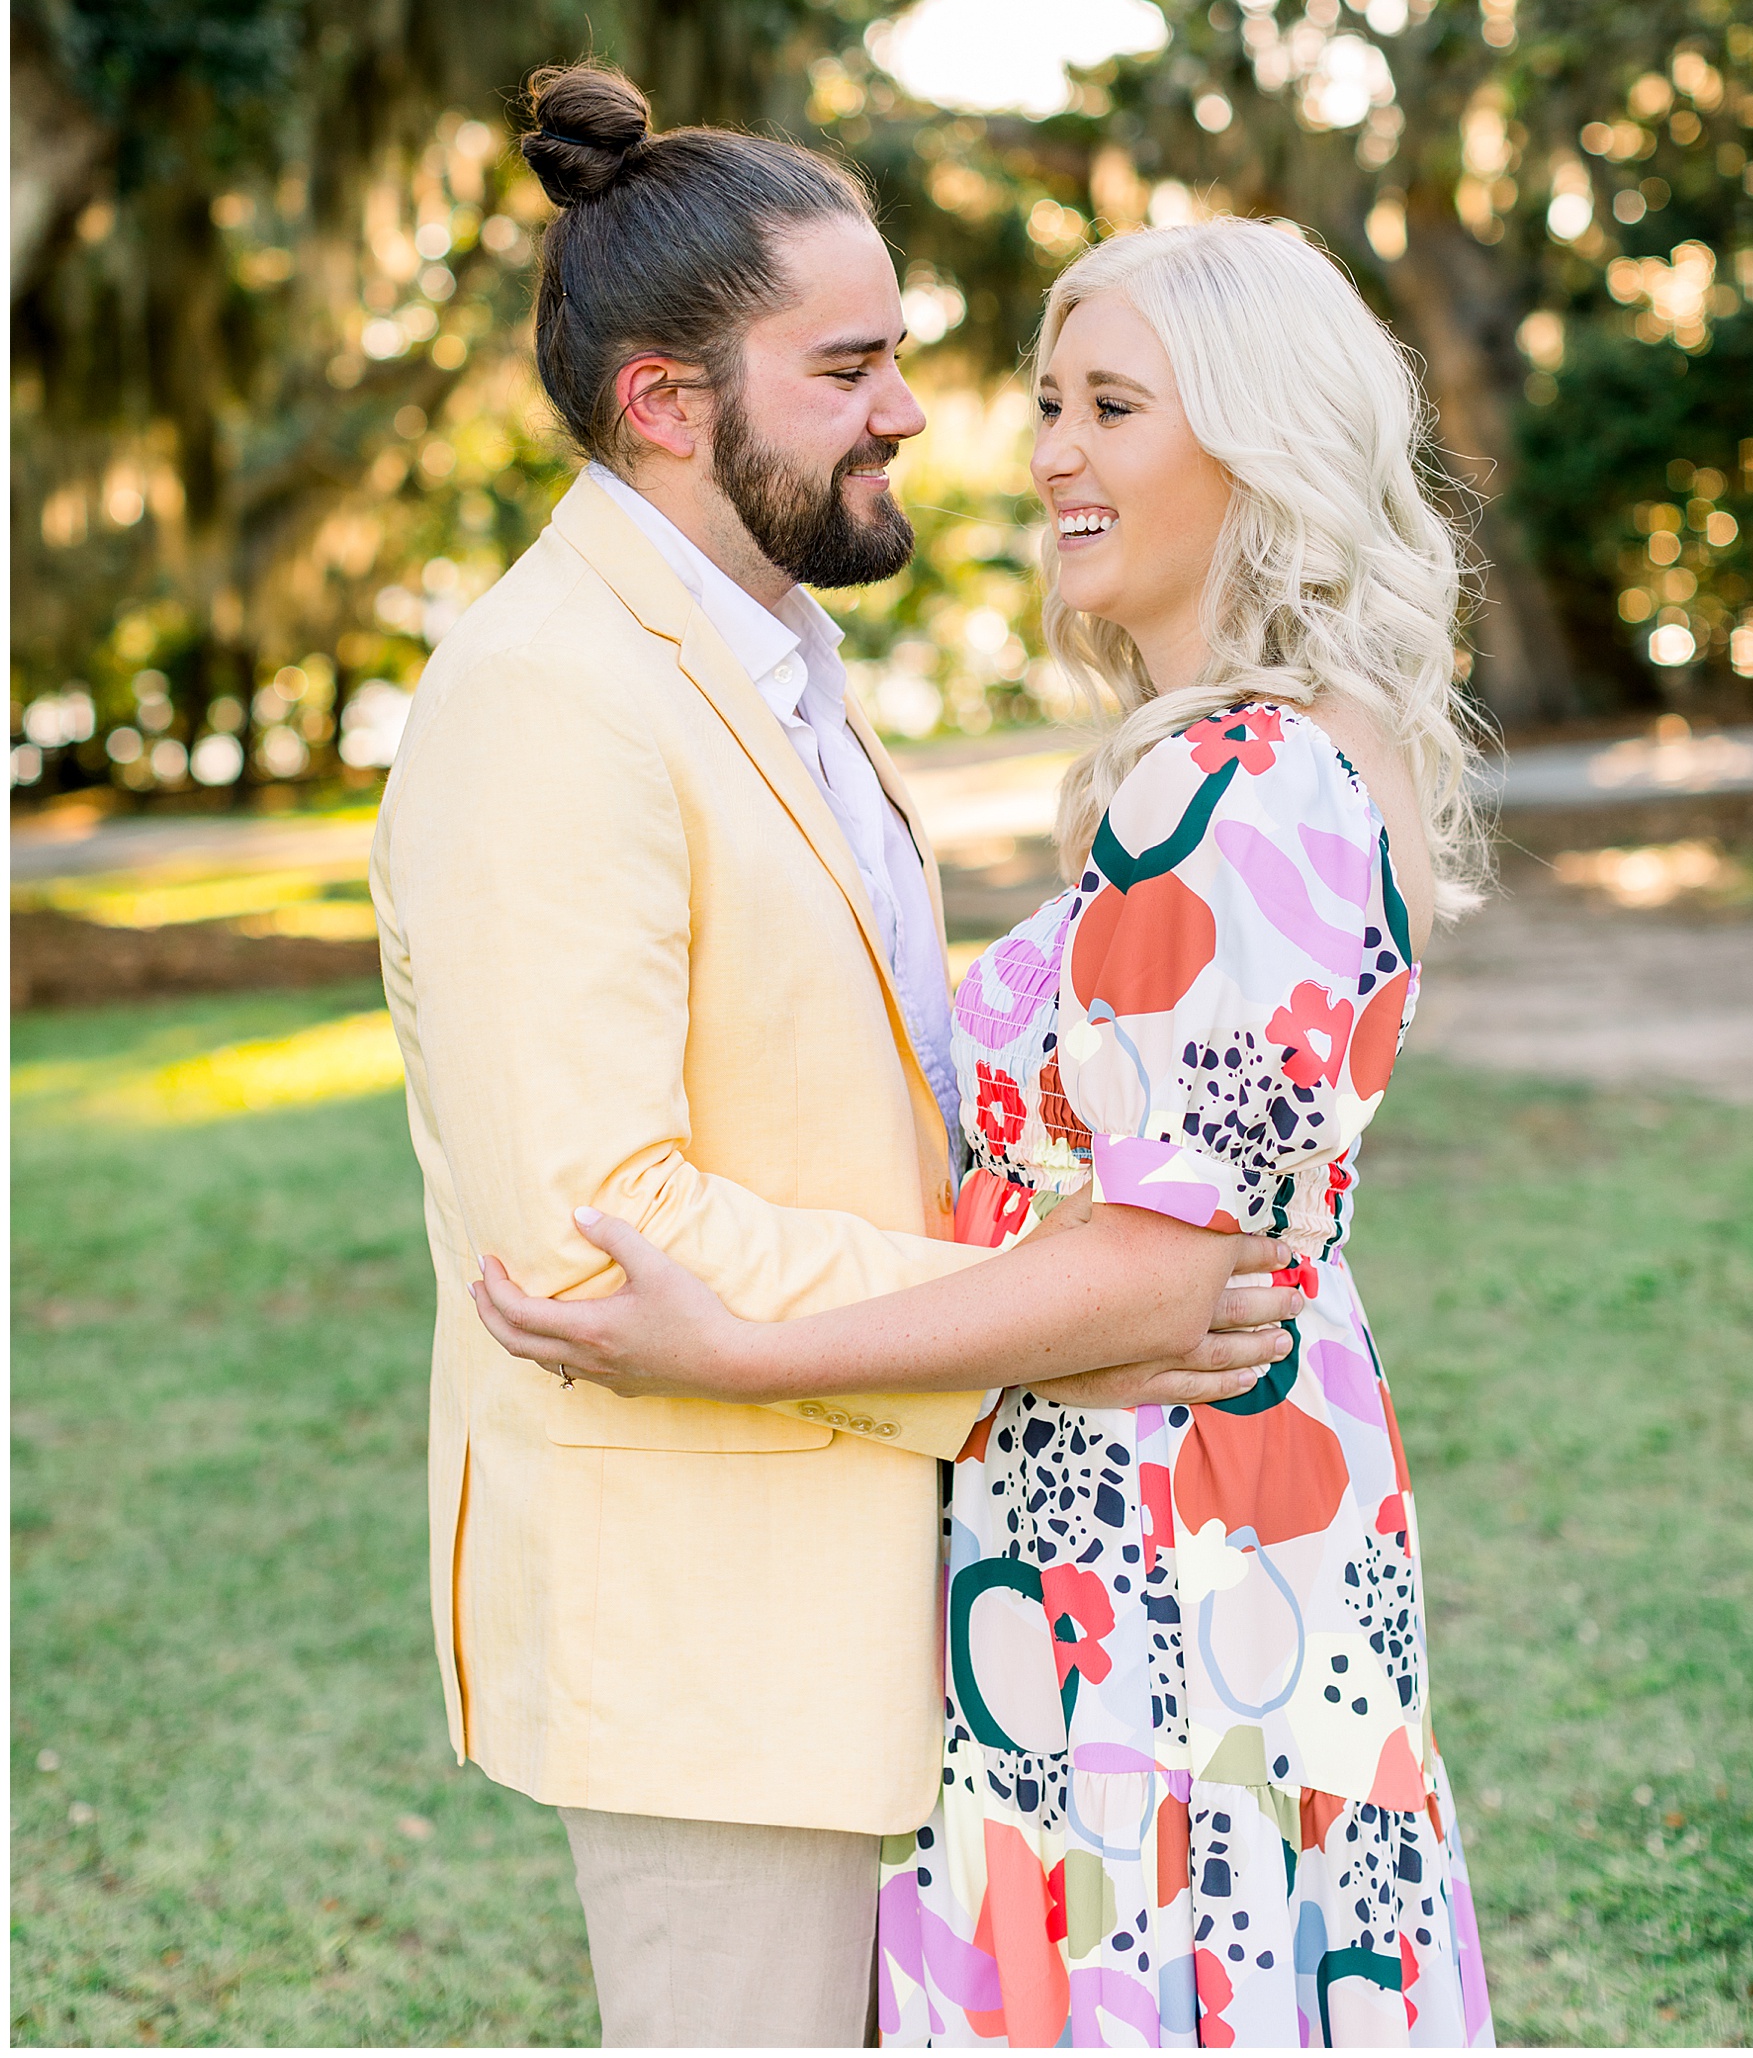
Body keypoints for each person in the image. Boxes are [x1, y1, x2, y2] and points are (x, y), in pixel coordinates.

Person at [475, 214, 1496, 2048]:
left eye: (1112, 404)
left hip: (1157, 1542)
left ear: (1255, 440)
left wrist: (752, 1345)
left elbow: (1156, 1259)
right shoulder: (1265, 755)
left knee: (1157, 1967)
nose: (1045, 454)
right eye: (1049, 401)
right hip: (1181, 1502)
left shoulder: (1243, 782)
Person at [372, 65, 1290, 2051]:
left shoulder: (782, 659)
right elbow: (601, 1236)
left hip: (894, 1587)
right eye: (849, 365)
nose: (907, 411)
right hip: (710, 1621)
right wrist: (1040, 1314)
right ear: (669, 404)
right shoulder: (547, 699)